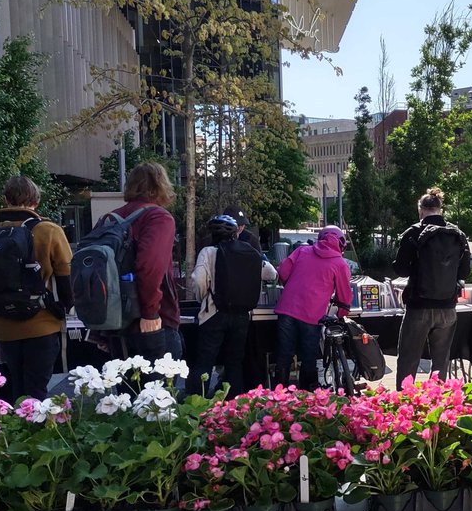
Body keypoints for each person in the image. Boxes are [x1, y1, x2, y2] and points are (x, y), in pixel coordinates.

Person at [0, 176, 73, 400]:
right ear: (36, 200)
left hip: (2, 327)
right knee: (37, 392)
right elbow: (66, 277)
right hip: (42, 325)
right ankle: (36, 432)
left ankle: (12, 433)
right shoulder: (49, 231)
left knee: (10, 392)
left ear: (5, 199)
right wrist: (63, 308)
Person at [188, 215, 277, 397]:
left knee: (204, 361)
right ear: (236, 233)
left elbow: (198, 280)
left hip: (213, 312)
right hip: (242, 315)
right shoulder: (249, 251)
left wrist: (202, 297)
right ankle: (232, 406)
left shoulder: (208, 252)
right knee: (234, 363)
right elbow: (271, 273)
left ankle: (197, 404)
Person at [393, 188, 471, 383]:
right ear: (440, 209)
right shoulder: (457, 234)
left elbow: (401, 270)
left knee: (409, 360)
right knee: (441, 362)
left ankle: (405, 404)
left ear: (420, 210)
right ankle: (438, 403)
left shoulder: (413, 232)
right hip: (448, 308)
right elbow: (464, 273)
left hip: (419, 306)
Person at [113, 162, 181, 360]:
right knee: (160, 390)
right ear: (161, 185)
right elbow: (150, 266)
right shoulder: (158, 217)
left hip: (116, 322)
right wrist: (150, 313)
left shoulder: (111, 218)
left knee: (126, 390)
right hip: (153, 321)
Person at [275, 226, 353, 390]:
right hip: (311, 316)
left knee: (284, 354)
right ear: (341, 244)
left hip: (286, 309)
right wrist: (342, 313)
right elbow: (344, 295)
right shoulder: (340, 263)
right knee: (308, 357)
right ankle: (307, 397)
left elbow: (282, 272)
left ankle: (278, 397)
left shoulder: (302, 251)